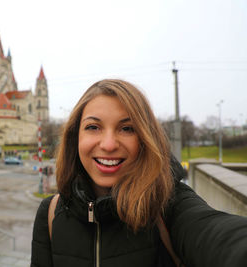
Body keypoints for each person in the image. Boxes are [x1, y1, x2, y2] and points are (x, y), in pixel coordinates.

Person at [31, 79, 247, 267]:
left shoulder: (169, 205)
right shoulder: (50, 214)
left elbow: (218, 235)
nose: (108, 144)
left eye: (127, 128)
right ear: (75, 136)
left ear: (145, 139)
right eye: (93, 127)